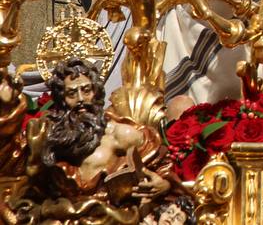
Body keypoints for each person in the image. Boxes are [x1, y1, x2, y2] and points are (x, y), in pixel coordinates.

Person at [13, 58, 177, 214]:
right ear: (60, 99)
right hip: (56, 213)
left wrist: (164, 184)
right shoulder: (47, 134)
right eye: (71, 93)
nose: (80, 100)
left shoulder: (120, 134)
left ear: (96, 92)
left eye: (86, 91)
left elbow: (162, 164)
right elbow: (14, 169)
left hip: (107, 216)